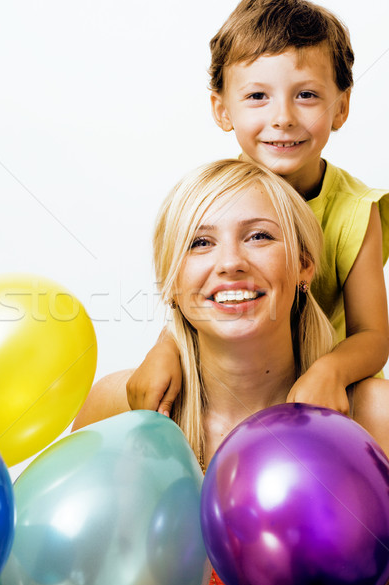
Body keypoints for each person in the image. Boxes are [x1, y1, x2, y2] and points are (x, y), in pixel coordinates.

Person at [126, 0, 389, 458]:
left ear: (341, 107)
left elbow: (373, 335)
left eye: (306, 95)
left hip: (324, 392)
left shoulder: (354, 208)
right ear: (222, 109)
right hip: (238, 383)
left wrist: (329, 372)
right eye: (256, 96)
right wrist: (165, 346)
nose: (282, 116)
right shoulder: (214, 198)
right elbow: (193, 293)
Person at [73, 158, 342, 585]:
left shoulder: (372, 417)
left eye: (259, 236)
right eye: (200, 242)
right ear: (171, 282)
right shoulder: (117, 409)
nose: (230, 262)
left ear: (304, 268)